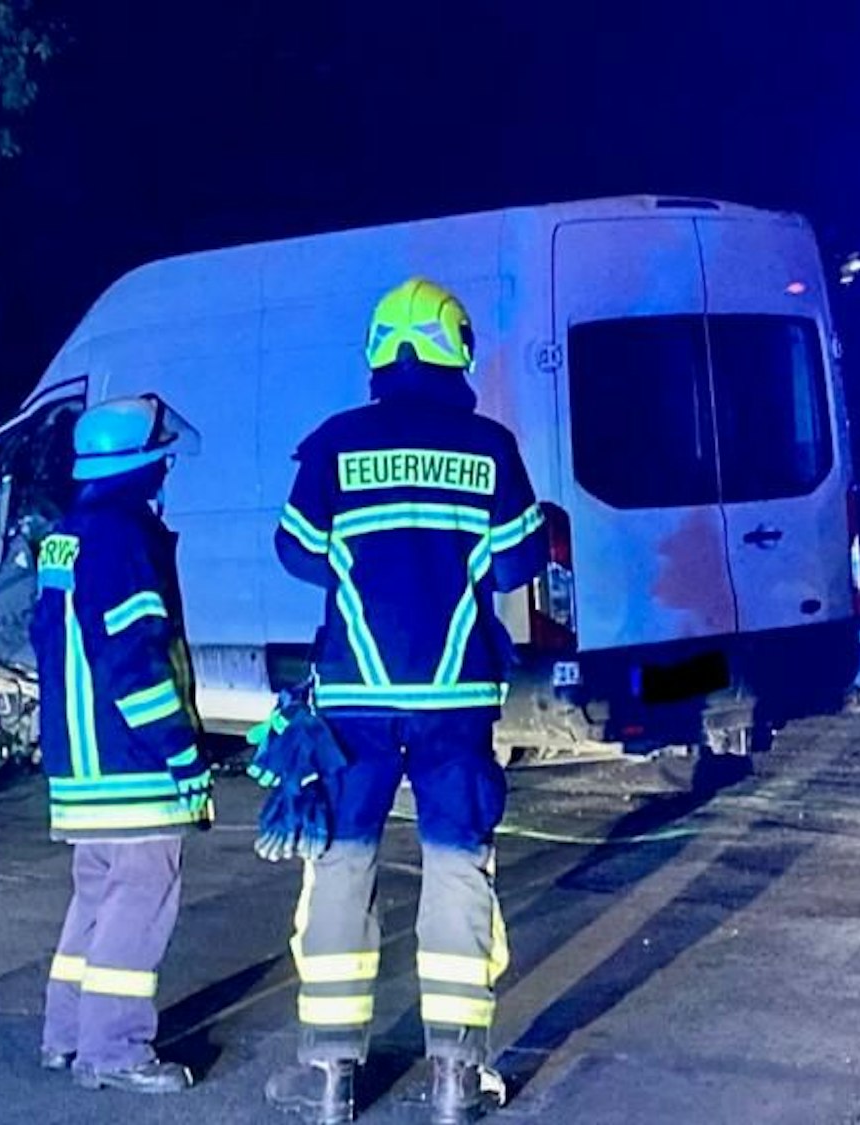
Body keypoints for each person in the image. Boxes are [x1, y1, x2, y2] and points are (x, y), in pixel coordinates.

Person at [265, 278, 545, 1124]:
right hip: (454, 701)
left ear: (383, 349)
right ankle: (457, 1078)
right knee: (458, 867)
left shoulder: (335, 446)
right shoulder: (490, 447)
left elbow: (297, 551)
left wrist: (365, 565)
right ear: (453, 346)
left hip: (352, 701)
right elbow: (519, 562)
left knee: (343, 867)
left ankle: (329, 1079)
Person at [31, 395, 212, 1094]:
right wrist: (181, 752)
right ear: (141, 464)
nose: (168, 467)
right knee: (139, 906)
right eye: (162, 457)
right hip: (130, 766)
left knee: (97, 901)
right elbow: (134, 661)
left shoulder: (67, 533)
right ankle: (113, 1049)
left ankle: (66, 1034)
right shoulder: (124, 537)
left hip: (79, 766)